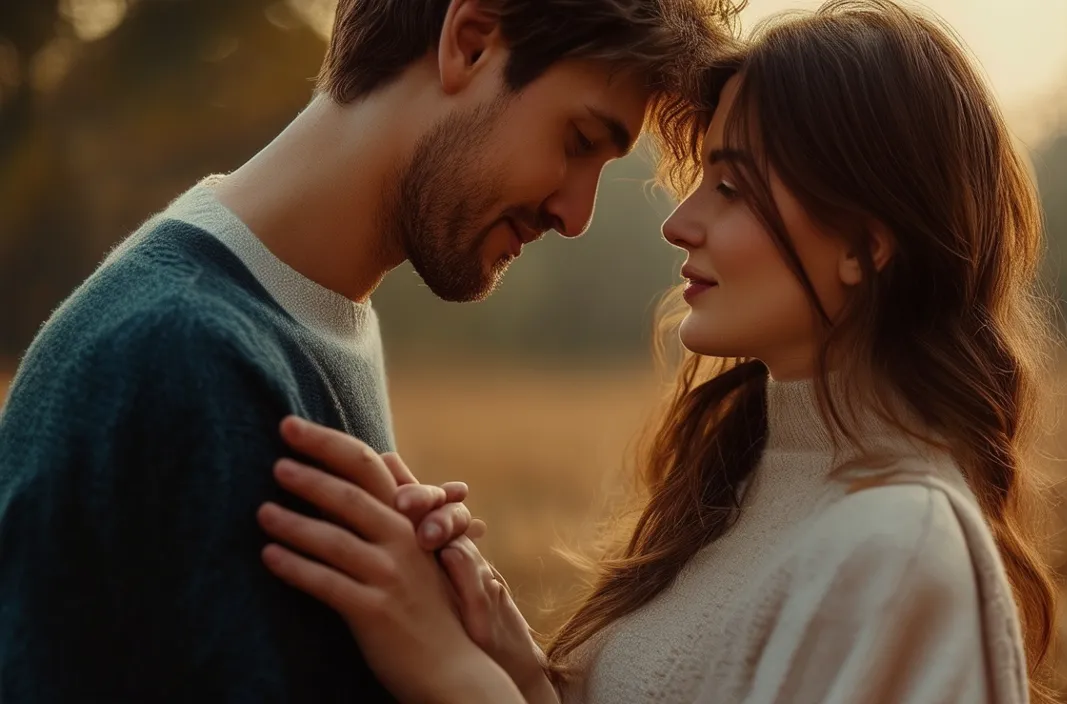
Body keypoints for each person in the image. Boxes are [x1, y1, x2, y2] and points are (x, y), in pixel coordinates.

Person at [256, 1, 1064, 703]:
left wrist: (454, 680)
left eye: (732, 187)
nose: (679, 223)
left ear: (865, 243)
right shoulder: (752, 486)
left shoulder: (903, 550)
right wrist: (512, 662)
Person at [0, 0, 739, 701]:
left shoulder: (309, 310)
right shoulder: (182, 358)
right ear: (471, 40)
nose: (576, 214)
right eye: (579, 142)